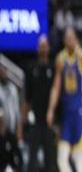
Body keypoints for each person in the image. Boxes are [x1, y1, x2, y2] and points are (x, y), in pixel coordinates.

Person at [46, 27, 82, 172]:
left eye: (72, 38)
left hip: (80, 113)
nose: (70, 41)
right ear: (64, 41)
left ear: (76, 40)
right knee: (61, 159)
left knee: (78, 158)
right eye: (67, 39)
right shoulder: (60, 59)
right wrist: (51, 110)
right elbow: (56, 87)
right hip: (66, 114)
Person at [25, 35, 57, 171]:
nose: (43, 49)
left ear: (48, 48)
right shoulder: (31, 68)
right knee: (32, 161)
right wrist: (23, 122)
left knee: (50, 161)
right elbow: (26, 98)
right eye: (41, 46)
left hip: (50, 122)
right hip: (35, 121)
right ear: (38, 48)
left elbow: (58, 96)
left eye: (45, 46)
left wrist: (57, 122)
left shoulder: (53, 68)